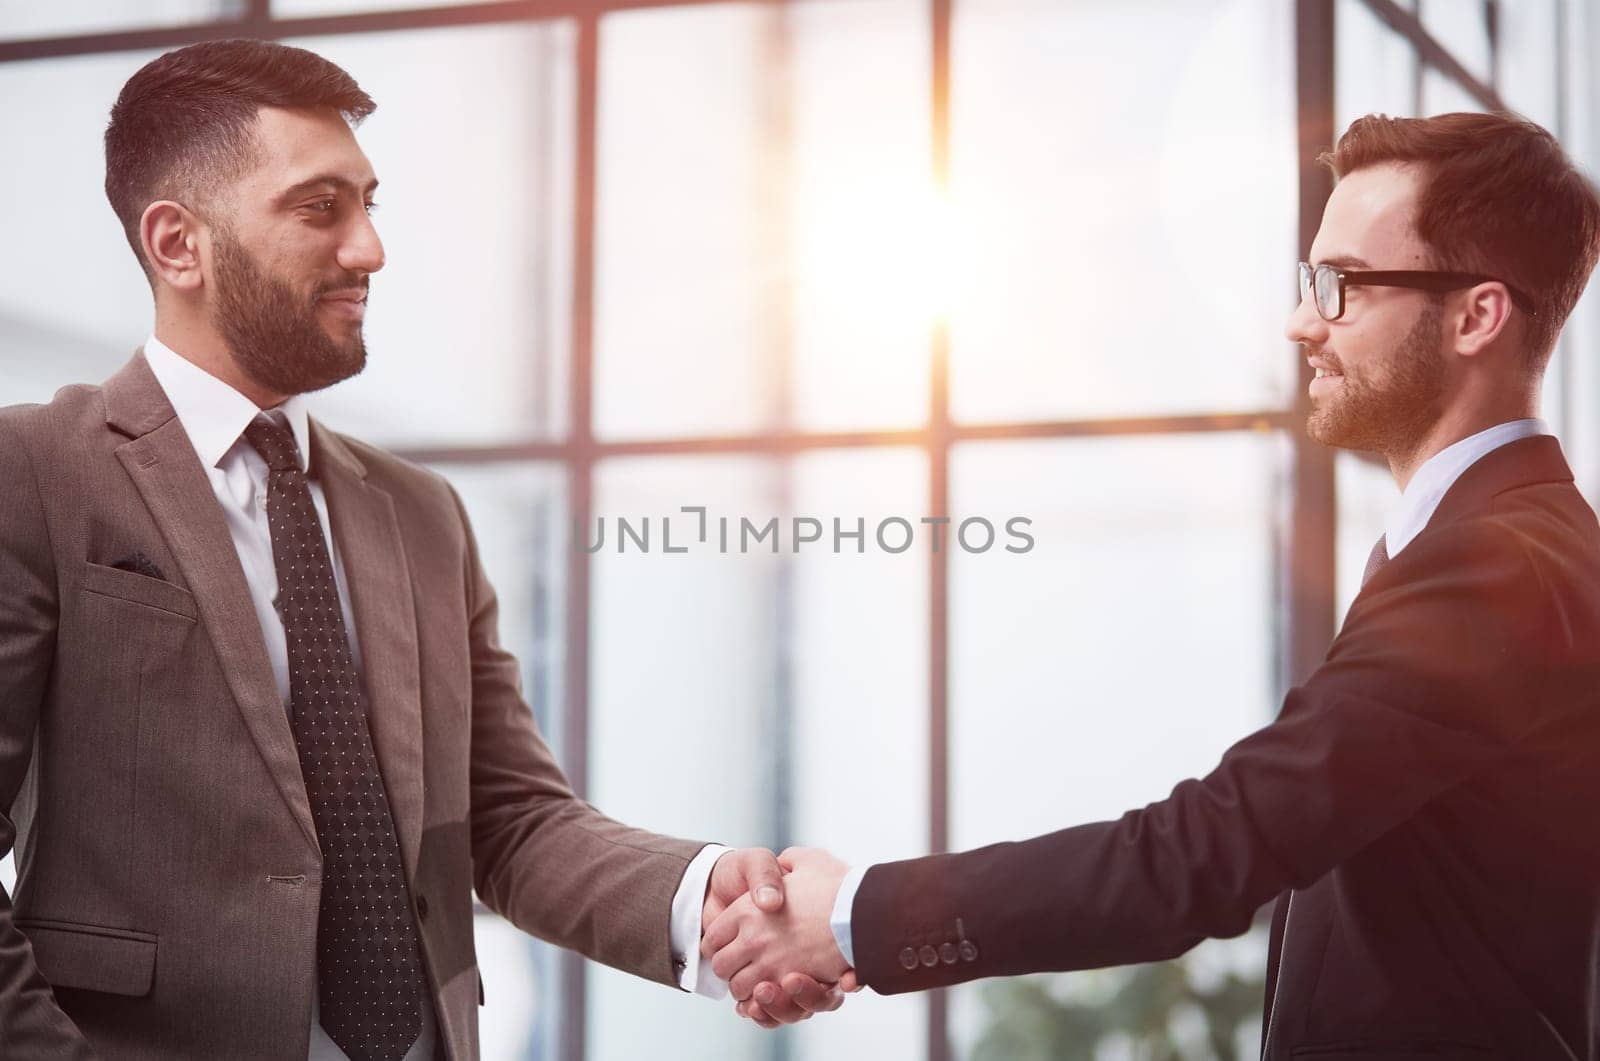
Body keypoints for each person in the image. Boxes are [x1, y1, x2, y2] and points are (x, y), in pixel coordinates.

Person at [0, 39, 839, 1059]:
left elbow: (510, 819)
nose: (370, 250)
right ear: (179, 244)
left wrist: (709, 894)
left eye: (369, 203)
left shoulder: (421, 513)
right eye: (320, 208)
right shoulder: (36, 471)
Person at [706, 111, 1600, 1059]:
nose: (1304, 322)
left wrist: (853, 914)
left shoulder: (1498, 564)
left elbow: (1206, 854)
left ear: (1477, 315)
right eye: (1310, 282)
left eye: (1340, 286)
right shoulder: (1494, 545)